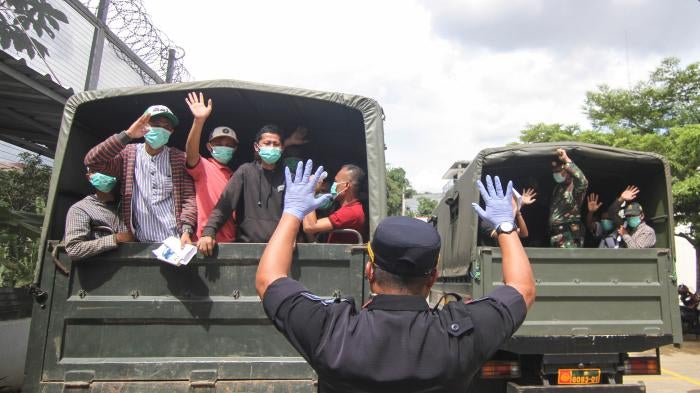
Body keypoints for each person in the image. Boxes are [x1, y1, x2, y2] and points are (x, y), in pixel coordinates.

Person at [256, 165, 535, 392]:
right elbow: (522, 290)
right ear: (432, 278)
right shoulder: (461, 336)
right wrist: (507, 227)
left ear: (369, 271)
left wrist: (292, 213)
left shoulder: (331, 331)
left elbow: (269, 280)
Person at [84, 105, 197, 245]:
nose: (161, 129)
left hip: (176, 242)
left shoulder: (179, 158)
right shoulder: (128, 154)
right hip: (140, 244)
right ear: (143, 125)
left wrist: (186, 230)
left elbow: (188, 198)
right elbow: (92, 161)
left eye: (166, 126)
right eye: (155, 124)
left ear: (171, 131)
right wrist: (128, 134)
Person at [198, 124, 287, 251]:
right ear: (257, 147)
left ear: (282, 148)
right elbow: (225, 204)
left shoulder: (288, 177)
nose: (271, 147)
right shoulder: (245, 171)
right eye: (267, 143)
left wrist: (292, 236)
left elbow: (294, 213)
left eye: (276, 144)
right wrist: (208, 232)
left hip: (279, 248)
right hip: (246, 248)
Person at [184, 92, 238, 243]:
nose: (224, 147)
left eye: (229, 145)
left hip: (232, 242)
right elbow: (190, 151)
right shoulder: (202, 166)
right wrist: (199, 121)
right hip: (204, 242)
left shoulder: (235, 176)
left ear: (235, 150)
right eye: (219, 143)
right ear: (209, 147)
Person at [64, 169, 134, 260]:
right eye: (97, 171)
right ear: (89, 177)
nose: (103, 174)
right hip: (101, 270)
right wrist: (116, 239)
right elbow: (74, 249)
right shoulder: (81, 209)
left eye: (107, 169)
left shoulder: (129, 204)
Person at [302, 164, 366, 243]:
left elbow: (309, 227)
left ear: (346, 186)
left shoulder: (351, 212)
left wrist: (310, 190)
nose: (333, 185)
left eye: (336, 182)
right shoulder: (345, 208)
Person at [548, 148, 588, 248]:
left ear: (567, 171)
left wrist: (566, 159)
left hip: (569, 236)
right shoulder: (558, 188)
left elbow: (583, 182)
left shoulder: (574, 188)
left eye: (559, 171)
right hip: (557, 236)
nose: (556, 174)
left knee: (568, 263)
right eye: (554, 171)